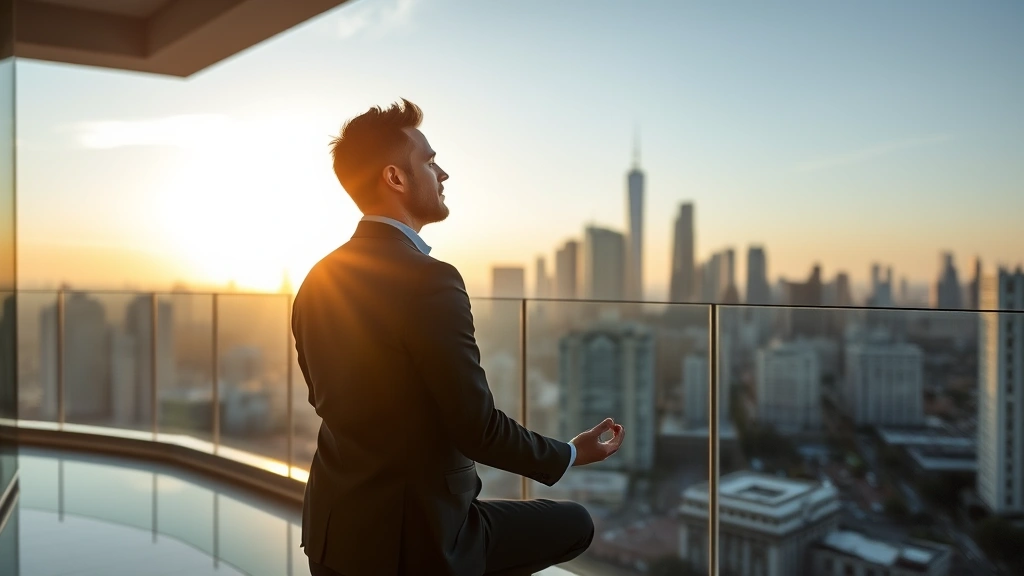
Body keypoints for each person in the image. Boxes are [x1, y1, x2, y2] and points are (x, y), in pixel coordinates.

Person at [293, 99, 625, 576]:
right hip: (421, 542)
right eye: (429, 161)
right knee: (575, 524)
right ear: (395, 178)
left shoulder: (317, 278)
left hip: (332, 536)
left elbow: (323, 398)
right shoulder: (430, 279)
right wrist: (571, 453)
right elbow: (477, 428)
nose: (443, 173)